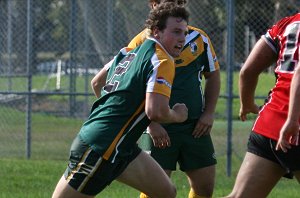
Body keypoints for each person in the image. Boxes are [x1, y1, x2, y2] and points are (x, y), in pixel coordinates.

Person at [51, 3, 189, 198]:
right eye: (176, 32)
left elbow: (97, 82)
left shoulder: (128, 52)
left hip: (121, 147)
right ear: (157, 31)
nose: (182, 39)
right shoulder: (162, 60)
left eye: (185, 33)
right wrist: (178, 115)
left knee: (165, 192)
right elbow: (156, 111)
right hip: (101, 147)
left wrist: (117, 111)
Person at [128, 1, 220, 198]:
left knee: (205, 189)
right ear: (153, 4)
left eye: (179, 2)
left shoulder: (199, 38)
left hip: (195, 126)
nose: (174, 5)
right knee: (155, 191)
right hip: (158, 129)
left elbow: (213, 75)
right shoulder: (139, 43)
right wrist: (151, 124)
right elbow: (131, 89)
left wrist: (208, 113)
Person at [226, 13, 300, 198]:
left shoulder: (287, 24)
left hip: (270, 123)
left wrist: (247, 103)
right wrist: (292, 119)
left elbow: (247, 71)